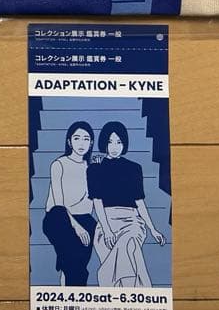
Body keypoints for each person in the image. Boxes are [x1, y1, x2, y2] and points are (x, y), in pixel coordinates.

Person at [89, 121, 166, 287]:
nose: (114, 147)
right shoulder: (95, 169)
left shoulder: (134, 168)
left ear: (124, 144)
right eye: (110, 142)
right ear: (104, 143)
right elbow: (97, 201)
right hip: (106, 223)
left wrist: (152, 229)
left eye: (119, 142)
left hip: (132, 222)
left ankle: (109, 280)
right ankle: (138, 291)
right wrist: (107, 230)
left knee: (128, 243)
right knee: (131, 256)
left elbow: (139, 202)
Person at [42, 120, 98, 286]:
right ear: (69, 141)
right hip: (58, 218)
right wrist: (77, 227)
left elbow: (91, 204)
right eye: (77, 138)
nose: (81, 143)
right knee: (74, 265)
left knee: (76, 266)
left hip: (84, 219)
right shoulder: (58, 164)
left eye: (86, 139)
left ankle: (65, 265)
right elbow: (58, 204)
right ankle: (66, 264)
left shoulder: (92, 167)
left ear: (91, 143)